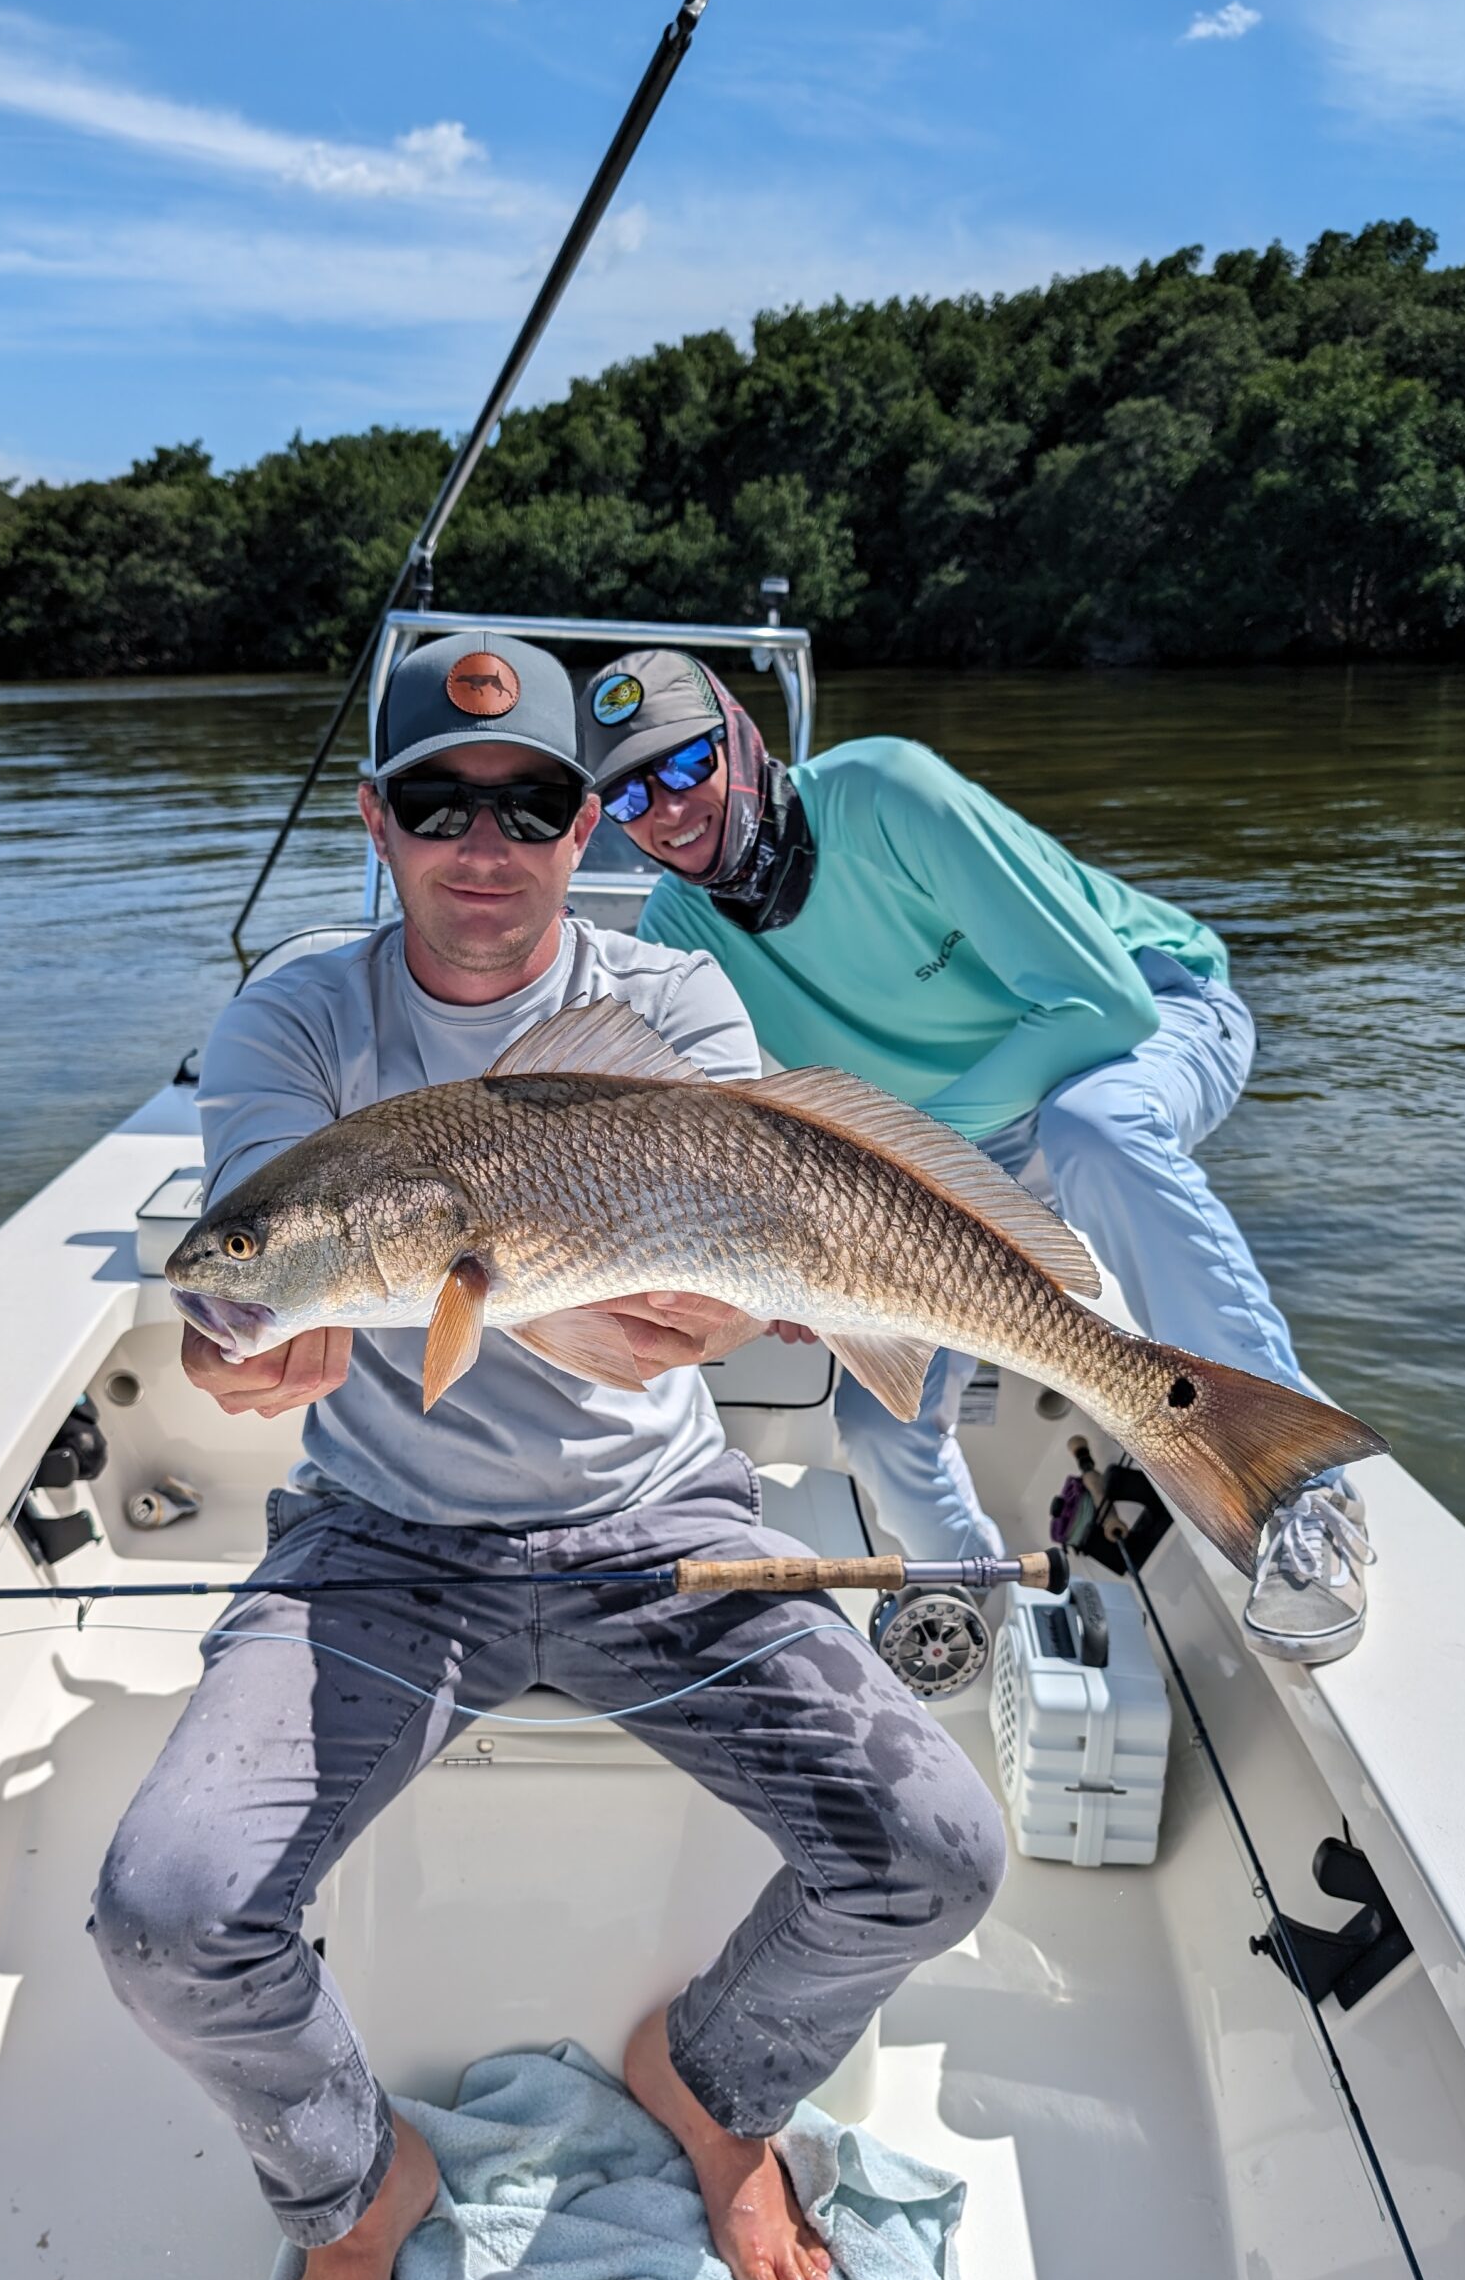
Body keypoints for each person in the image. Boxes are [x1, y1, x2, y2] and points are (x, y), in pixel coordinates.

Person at [88, 631, 1007, 2280]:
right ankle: (355, 2198)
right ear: (379, 823)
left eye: (529, 807)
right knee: (166, 1917)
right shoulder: (296, 1020)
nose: (483, 840)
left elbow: (744, 1278)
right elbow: (263, 1266)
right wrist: (240, 1340)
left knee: (936, 1850)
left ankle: (719, 2088)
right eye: (438, 801)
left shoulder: (671, 1003)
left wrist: (716, 1318)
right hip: (377, 1548)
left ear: (585, 827)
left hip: (656, 1533)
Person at [576, 648, 1373, 1666]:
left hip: (1145, 1019)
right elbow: (738, 1133)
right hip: (957, 1134)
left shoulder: (882, 793)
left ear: (740, 733)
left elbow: (1101, 1004)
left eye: (684, 764)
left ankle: (1305, 1491)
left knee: (1095, 1132)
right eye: (630, 790)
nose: (665, 808)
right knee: (875, 1418)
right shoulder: (677, 927)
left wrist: (918, 1167)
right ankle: (971, 1600)